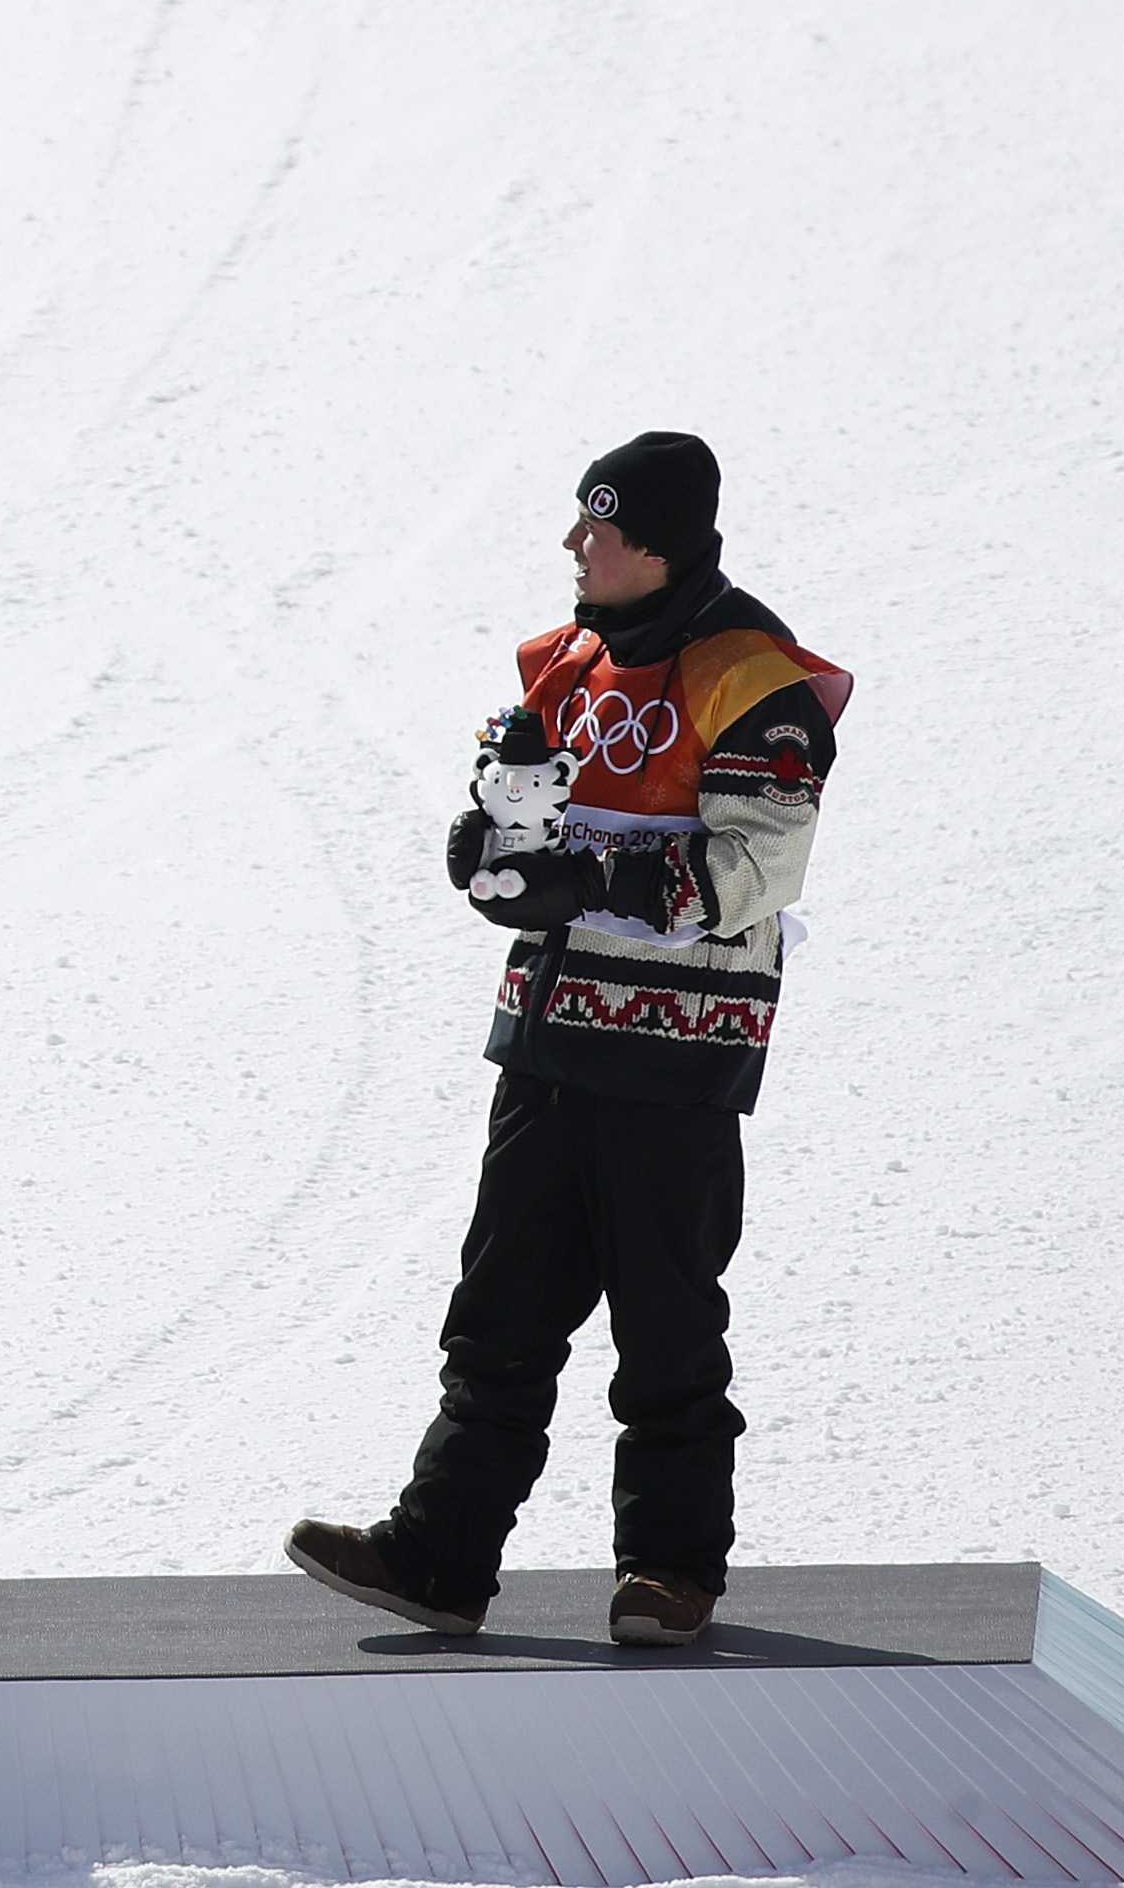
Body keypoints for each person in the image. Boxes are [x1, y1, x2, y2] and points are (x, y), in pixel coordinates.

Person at [290, 433, 848, 1648]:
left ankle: (669, 1571)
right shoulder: (566, 663)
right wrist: (485, 858)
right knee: (496, 1319)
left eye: (596, 527)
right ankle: (439, 1555)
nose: (573, 546)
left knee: (666, 1330)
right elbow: (518, 824)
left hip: (673, 1059)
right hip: (546, 1044)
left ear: (660, 545)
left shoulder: (755, 680)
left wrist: (578, 879)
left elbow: (755, 868)